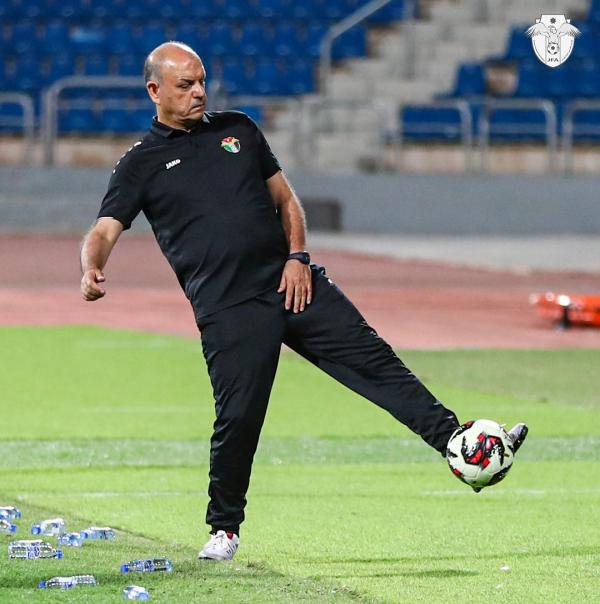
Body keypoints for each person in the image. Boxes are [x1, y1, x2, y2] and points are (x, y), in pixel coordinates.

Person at [80, 42, 528, 561]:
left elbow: (286, 200)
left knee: (374, 360)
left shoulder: (239, 130)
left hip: (294, 282)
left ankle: (458, 443)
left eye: (201, 80)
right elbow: (104, 230)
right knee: (239, 417)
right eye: (185, 84)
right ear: (155, 90)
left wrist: (297, 256)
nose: (199, 91)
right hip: (229, 307)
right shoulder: (140, 163)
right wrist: (92, 267)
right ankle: (224, 529)